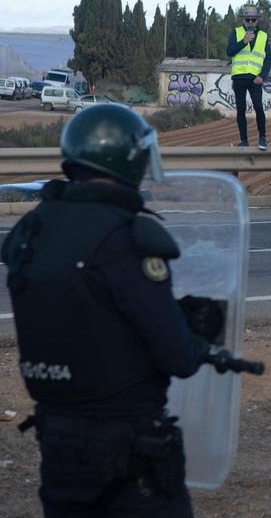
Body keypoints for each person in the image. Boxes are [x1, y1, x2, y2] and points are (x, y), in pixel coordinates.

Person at [2, 105, 210, 515]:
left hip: (59, 442)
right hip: (129, 447)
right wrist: (198, 336)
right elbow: (177, 357)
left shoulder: (32, 229)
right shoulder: (128, 237)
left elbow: (88, 312)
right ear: (127, 160)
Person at [225, 4, 271, 150]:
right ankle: (244, 140)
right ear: (243, 20)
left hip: (255, 78)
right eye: (248, 20)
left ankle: (262, 138)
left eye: (253, 20)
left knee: (258, 107)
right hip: (239, 77)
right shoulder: (237, 32)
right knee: (241, 109)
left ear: (257, 20)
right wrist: (243, 41)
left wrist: (262, 76)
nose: (250, 22)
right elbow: (230, 51)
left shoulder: (263, 36)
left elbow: (269, 58)